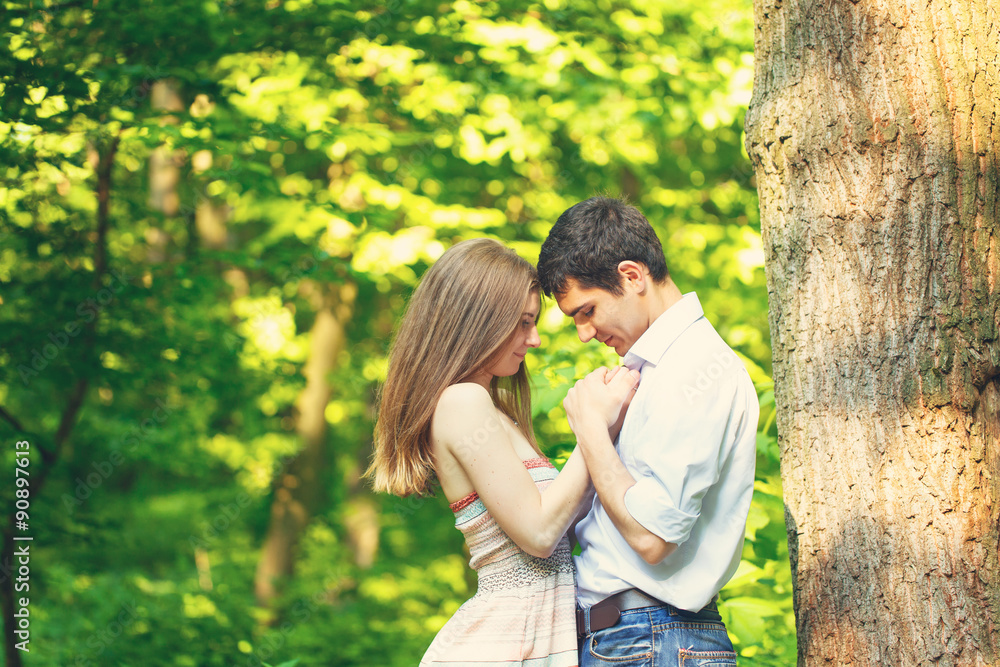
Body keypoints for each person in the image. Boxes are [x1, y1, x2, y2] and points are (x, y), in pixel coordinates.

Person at [368, 238, 639, 667]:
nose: (533, 340)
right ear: (478, 321)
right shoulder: (462, 402)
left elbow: (564, 525)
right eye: (522, 322)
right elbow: (538, 534)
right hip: (503, 643)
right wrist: (594, 424)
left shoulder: (495, 410)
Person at [537, 197, 759, 667]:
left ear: (632, 276)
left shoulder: (695, 366)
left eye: (586, 310)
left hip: (649, 638)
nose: (583, 332)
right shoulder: (656, 369)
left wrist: (592, 429)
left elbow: (653, 539)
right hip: (638, 638)